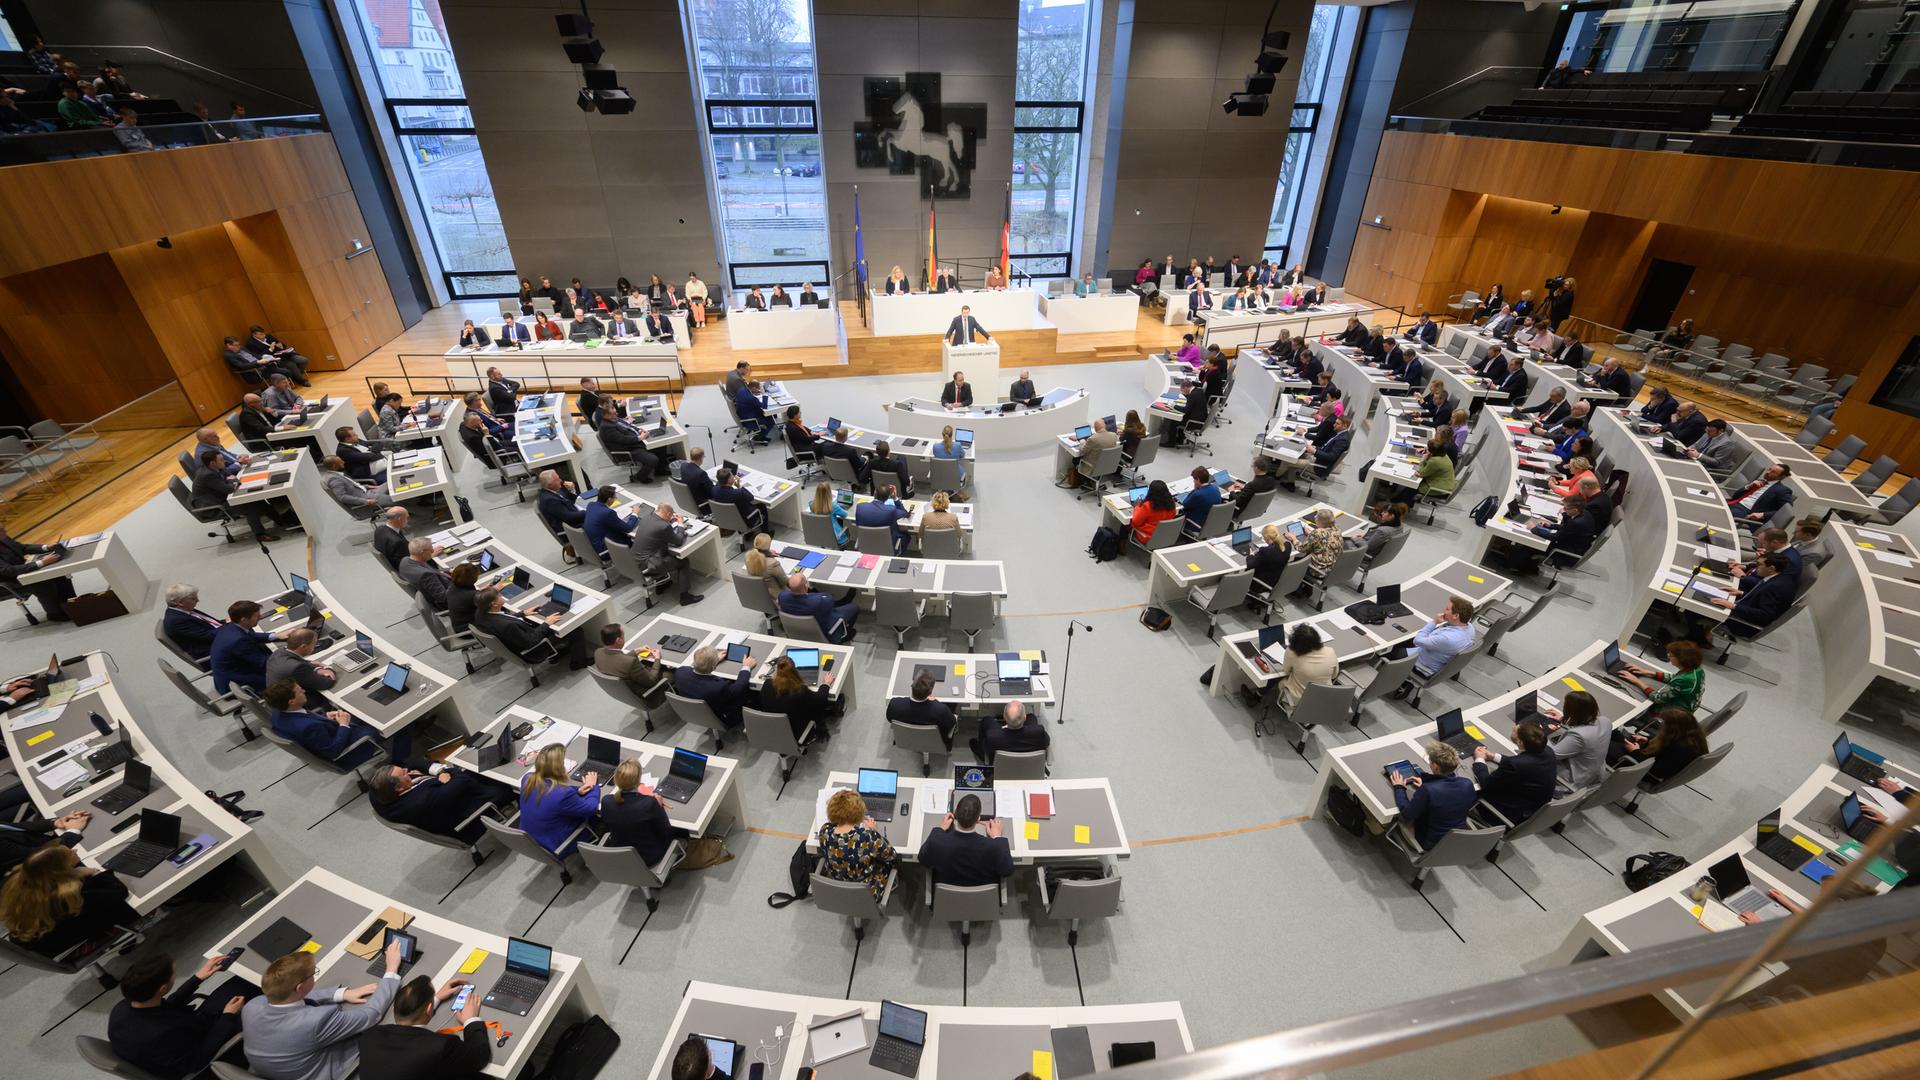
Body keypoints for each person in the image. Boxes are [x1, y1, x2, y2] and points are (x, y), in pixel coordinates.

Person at [242, 944, 404, 1080]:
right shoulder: (315, 1021)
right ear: (299, 987)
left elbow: (290, 998)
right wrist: (391, 969)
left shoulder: (252, 1006)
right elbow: (370, 1014)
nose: (314, 975)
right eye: (313, 973)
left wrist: (341, 994)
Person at [110, 950, 258, 1080]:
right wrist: (228, 1016)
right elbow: (197, 1060)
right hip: (209, 1058)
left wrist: (198, 977)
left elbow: (167, 1006)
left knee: (244, 980)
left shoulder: (126, 1005)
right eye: (174, 974)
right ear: (163, 988)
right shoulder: (159, 1035)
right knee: (261, 1007)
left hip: (190, 1030)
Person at [0, 841, 138, 959]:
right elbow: (119, 891)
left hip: (46, 945)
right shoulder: (68, 899)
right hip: (75, 947)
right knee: (137, 904)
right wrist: (94, 872)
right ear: (61, 871)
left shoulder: (26, 890)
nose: (75, 850)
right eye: (69, 853)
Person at [356, 973, 490, 1080]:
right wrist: (471, 1019)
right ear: (428, 1008)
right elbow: (479, 1057)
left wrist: (434, 1000)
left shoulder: (370, 1036)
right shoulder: (441, 1045)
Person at [368, 759, 503, 847]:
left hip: (452, 798)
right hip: (470, 813)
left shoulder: (378, 792)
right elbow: (462, 780)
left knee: (482, 764)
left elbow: (413, 763)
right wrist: (445, 772)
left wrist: (439, 772)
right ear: (399, 788)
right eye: (403, 774)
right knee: (505, 786)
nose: (406, 770)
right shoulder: (421, 801)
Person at [266, 681, 399, 768]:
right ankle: (399, 759)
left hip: (328, 731)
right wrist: (344, 725)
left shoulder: (278, 712)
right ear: (291, 701)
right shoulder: (307, 727)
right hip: (347, 751)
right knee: (389, 725)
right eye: (300, 691)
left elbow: (305, 717)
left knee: (359, 710)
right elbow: (333, 751)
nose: (304, 691)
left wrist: (325, 716)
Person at [599, 758, 687, 869]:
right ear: (638, 781)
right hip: (649, 857)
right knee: (683, 834)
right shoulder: (649, 803)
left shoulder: (606, 801)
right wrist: (658, 806)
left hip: (622, 856)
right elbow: (667, 831)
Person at [518, 745, 599, 858]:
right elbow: (591, 808)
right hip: (556, 844)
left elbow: (551, 796)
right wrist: (593, 786)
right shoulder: (562, 794)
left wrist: (578, 791)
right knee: (600, 816)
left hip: (531, 839)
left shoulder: (527, 778)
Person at [1390, 742, 1475, 850]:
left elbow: (1407, 814)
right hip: (1455, 839)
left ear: (1435, 766)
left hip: (1430, 843)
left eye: (1430, 760)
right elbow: (1449, 799)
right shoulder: (1467, 784)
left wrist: (1399, 787)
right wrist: (1428, 783)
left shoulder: (1428, 790)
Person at [1472, 718, 1557, 824]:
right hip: (1530, 809)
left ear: (1520, 742)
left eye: (1515, 730)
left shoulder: (1516, 765)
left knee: (1469, 789)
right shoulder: (1547, 751)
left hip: (1504, 814)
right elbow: (1521, 763)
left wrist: (1479, 760)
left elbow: (1486, 784)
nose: (1513, 727)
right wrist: (1493, 756)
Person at [816, 790, 897, 901]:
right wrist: (873, 831)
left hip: (839, 887)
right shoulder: (867, 837)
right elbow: (891, 855)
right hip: (867, 894)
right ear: (859, 813)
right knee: (889, 863)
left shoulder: (825, 832)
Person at [920, 793, 1014, 887]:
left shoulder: (936, 841)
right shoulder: (995, 847)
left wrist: (940, 829)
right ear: (978, 819)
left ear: (955, 812)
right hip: (982, 897)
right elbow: (1007, 871)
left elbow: (923, 859)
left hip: (947, 896)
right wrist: (997, 837)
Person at [0, 520, 77, 621]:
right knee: (43, 583)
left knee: (58, 574)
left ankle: (72, 604)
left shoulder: (3, 538)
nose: (5, 530)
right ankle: (55, 614)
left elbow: (23, 548)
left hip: (23, 570)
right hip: (9, 581)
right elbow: (8, 571)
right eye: (1, 530)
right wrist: (42, 563)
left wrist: (45, 547)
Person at [210, 600, 291, 694]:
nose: (260, 617)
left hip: (233, 673)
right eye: (257, 616)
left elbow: (250, 635)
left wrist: (276, 636)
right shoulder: (238, 641)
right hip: (240, 683)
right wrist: (290, 652)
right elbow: (264, 663)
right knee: (293, 673)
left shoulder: (230, 627)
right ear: (244, 620)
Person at [471, 587, 567, 665]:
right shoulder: (509, 626)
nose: (501, 596)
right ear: (494, 603)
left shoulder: (480, 613)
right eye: (499, 596)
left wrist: (522, 613)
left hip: (517, 641)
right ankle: (577, 663)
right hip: (534, 651)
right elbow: (531, 641)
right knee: (574, 632)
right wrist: (546, 623)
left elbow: (502, 618)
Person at [634, 501, 703, 605]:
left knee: (665, 556)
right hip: (649, 565)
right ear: (668, 514)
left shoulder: (646, 518)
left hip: (636, 561)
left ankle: (661, 585)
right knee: (683, 562)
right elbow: (678, 541)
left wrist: (668, 522)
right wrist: (680, 524)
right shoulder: (664, 526)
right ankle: (685, 597)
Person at [673, 645, 754, 728]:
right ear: (713, 667)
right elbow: (738, 688)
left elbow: (691, 668)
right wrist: (746, 667)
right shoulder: (718, 687)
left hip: (693, 713)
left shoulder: (680, 672)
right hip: (723, 717)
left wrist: (712, 660)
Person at [1543, 690, 1607, 794]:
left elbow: (1551, 754)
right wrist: (1564, 719)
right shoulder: (1605, 721)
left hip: (1571, 779)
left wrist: (1539, 732)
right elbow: (1584, 725)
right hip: (1593, 771)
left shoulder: (1579, 736)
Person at [758, 655, 834, 742]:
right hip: (795, 732)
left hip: (773, 729)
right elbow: (821, 700)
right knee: (817, 709)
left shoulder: (767, 684)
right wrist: (826, 684)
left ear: (777, 670)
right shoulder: (800, 691)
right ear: (795, 671)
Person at [1402, 596, 1476, 683]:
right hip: (1436, 656)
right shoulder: (1470, 627)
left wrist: (1434, 622)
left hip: (1422, 666)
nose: (1444, 611)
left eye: (1447, 609)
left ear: (1456, 616)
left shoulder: (1447, 638)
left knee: (1394, 648)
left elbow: (1417, 641)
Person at [780, 571, 857, 643]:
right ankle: (845, 633)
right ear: (805, 586)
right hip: (823, 629)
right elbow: (828, 597)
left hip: (797, 631)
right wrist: (811, 592)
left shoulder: (782, 597)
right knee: (854, 607)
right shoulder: (818, 602)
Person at [593, 623, 665, 698]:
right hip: (647, 693)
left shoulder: (598, 652)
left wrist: (636, 651)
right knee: (672, 674)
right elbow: (651, 681)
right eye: (623, 635)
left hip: (626, 692)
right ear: (619, 640)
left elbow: (617, 660)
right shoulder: (630, 662)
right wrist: (657, 658)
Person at [886, 670, 955, 747]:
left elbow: (890, 719)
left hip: (906, 739)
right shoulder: (941, 710)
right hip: (934, 743)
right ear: (930, 693)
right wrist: (935, 702)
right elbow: (951, 723)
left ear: (912, 685)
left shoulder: (895, 704)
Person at [1277, 624, 1338, 711]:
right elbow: (1334, 675)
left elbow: (1286, 672)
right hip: (1324, 697)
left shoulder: (1291, 652)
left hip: (1300, 701)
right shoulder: (1330, 651)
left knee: (1281, 682)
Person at [599, 401, 661, 481]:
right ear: (605, 415)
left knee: (659, 444)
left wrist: (639, 430)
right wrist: (640, 438)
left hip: (633, 443)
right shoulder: (607, 427)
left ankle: (660, 469)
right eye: (613, 413)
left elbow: (629, 426)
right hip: (628, 450)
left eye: (615, 411)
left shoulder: (613, 418)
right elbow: (623, 439)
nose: (616, 414)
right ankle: (640, 476)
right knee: (653, 459)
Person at [971, 701, 1049, 765]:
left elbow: (987, 748)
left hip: (1001, 769)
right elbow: (1047, 742)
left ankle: (981, 753)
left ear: (1004, 717)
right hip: (1031, 768)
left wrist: (1002, 729)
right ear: (1024, 718)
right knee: (1032, 717)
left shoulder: (993, 736)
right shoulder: (1038, 732)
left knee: (986, 720)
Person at [264, 629, 339, 696]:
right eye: (314, 644)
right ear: (303, 647)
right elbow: (326, 683)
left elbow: (300, 662)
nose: (315, 646)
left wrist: (317, 669)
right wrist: (327, 668)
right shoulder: (296, 668)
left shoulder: (279, 652)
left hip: (277, 697)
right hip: (296, 703)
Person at [709, 466, 769, 537]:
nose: (734, 477)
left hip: (729, 519)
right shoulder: (739, 493)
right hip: (746, 519)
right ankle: (766, 533)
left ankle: (748, 533)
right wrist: (739, 486)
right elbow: (751, 497)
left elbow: (719, 484)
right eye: (732, 476)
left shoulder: (714, 490)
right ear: (728, 480)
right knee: (762, 506)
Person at [854, 483, 910, 554]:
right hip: (887, 547)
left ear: (874, 493)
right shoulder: (891, 510)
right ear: (887, 497)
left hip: (866, 545)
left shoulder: (860, 507)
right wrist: (895, 498)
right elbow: (904, 513)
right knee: (906, 535)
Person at [244, 326, 312, 384]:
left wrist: (280, 346)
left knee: (303, 360)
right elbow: (259, 356)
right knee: (291, 364)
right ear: (254, 335)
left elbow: (281, 344)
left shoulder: (269, 336)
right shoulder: (251, 344)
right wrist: (270, 349)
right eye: (261, 334)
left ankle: (296, 376)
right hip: (274, 359)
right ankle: (302, 381)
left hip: (284, 354)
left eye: (263, 333)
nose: (264, 335)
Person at [399, 538, 452, 611]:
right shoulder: (425, 575)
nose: (433, 551)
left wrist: (449, 570)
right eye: (430, 549)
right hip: (449, 601)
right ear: (422, 552)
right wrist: (462, 582)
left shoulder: (405, 561)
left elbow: (433, 571)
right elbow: (444, 597)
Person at [1728, 463, 1793, 524]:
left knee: (1724, 514)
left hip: (1746, 512)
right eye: (1769, 469)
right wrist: (1749, 486)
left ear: (1781, 477)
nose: (1768, 472)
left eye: (1773, 472)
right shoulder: (1760, 482)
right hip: (1734, 503)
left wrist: (1763, 514)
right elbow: (1735, 496)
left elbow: (1785, 511)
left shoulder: (1783, 490)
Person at [535, 469, 585, 539]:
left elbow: (570, 501)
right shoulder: (550, 500)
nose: (561, 481)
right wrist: (587, 512)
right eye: (558, 480)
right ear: (551, 484)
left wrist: (572, 490)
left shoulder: (553, 491)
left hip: (575, 518)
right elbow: (570, 517)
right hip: (573, 530)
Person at [1128, 480, 1180, 544]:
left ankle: (1121, 546)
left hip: (1148, 537)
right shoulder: (1171, 502)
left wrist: (1136, 507)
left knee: (1125, 524)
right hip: (1164, 535)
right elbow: (1173, 515)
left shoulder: (1148, 506)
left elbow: (1135, 522)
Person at [1248, 524, 1292, 591]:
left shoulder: (1265, 551)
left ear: (1267, 537)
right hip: (1276, 581)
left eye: (1263, 537)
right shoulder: (1287, 546)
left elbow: (1250, 565)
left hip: (1260, 584)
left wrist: (1251, 554)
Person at [671, 448, 715, 514]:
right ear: (701, 458)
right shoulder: (701, 473)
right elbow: (712, 492)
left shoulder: (683, 466)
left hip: (692, 500)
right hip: (704, 505)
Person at [1181, 466, 1223, 532]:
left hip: (1195, 524)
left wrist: (1195, 489)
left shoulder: (1198, 494)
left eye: (1194, 480)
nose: (1194, 481)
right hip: (1210, 521)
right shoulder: (1215, 487)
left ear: (1197, 480)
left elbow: (1185, 504)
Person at [733, 379, 773, 446]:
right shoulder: (751, 398)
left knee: (770, 415)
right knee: (771, 419)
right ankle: (760, 437)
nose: (759, 391)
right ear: (753, 388)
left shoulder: (741, 390)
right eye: (758, 389)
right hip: (750, 420)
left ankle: (760, 433)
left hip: (742, 414)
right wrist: (764, 394)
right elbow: (764, 406)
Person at [445, 562, 482, 633]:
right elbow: (488, 604)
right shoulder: (471, 596)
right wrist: (494, 590)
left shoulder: (453, 586)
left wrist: (481, 590)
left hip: (460, 624)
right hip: (469, 630)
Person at [1417, 433, 1457, 497]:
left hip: (1438, 489)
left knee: (1412, 488)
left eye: (1428, 448)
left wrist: (1422, 460)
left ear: (1431, 450)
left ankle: (1404, 502)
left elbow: (1422, 472)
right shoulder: (1444, 455)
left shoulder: (1435, 461)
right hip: (1447, 485)